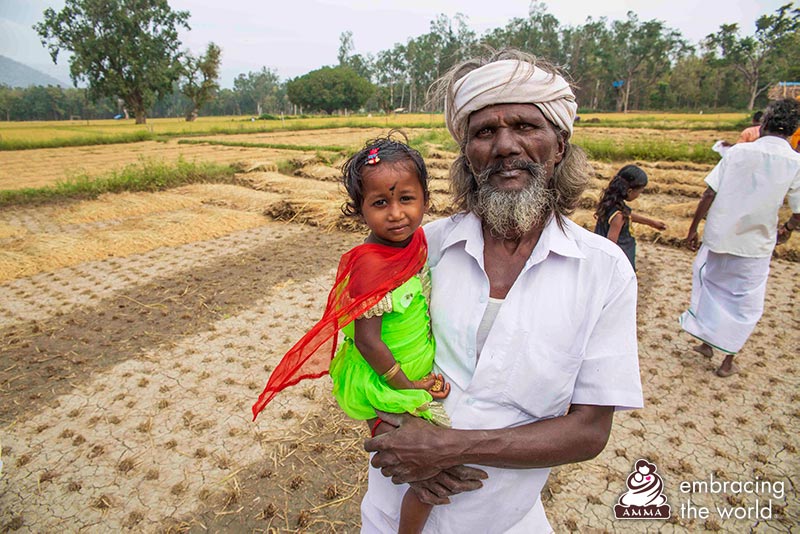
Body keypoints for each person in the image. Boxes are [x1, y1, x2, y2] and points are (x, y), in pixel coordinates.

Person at [361, 49, 643, 533]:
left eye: (526, 127)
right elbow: (360, 353)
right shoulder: (425, 247)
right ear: (468, 156)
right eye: (485, 132)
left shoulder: (604, 271)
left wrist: (453, 447)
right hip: (394, 507)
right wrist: (393, 433)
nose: (505, 146)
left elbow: (590, 430)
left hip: (504, 519)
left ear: (560, 145)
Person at [251, 135, 454, 534]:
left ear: (426, 200)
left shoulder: (418, 245)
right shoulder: (370, 267)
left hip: (413, 370)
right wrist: (407, 383)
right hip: (383, 378)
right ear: (359, 211)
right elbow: (368, 341)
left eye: (406, 199)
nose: (396, 214)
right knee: (427, 474)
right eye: (380, 203)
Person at [681, 98, 800, 378]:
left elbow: (709, 192)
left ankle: (707, 343)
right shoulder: (795, 162)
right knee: (744, 301)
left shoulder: (737, 153)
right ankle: (727, 360)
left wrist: (692, 228)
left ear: (763, 124)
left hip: (719, 236)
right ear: (792, 129)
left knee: (710, 286)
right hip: (756, 243)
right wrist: (787, 230)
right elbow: (798, 211)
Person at [594, 164, 667, 269]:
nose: (639, 195)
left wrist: (651, 223)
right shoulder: (618, 216)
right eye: (639, 192)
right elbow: (610, 247)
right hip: (619, 265)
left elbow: (627, 215)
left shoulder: (611, 203)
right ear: (629, 191)